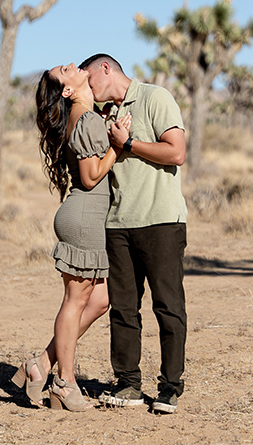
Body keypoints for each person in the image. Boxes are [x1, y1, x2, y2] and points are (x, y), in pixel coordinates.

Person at [12, 63, 130, 411]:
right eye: (66, 70)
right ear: (67, 90)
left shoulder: (84, 116)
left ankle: (42, 365)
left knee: (99, 300)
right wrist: (118, 146)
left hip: (84, 216)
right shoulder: (88, 119)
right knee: (75, 302)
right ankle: (65, 384)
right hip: (84, 216)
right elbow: (92, 177)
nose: (74, 66)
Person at [79, 54, 188, 415]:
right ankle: (128, 384)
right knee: (124, 309)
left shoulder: (155, 98)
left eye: (89, 79)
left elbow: (176, 152)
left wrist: (128, 144)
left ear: (106, 69)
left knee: (167, 306)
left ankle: (170, 387)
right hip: (118, 224)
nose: (88, 88)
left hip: (161, 221)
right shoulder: (103, 116)